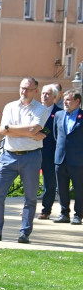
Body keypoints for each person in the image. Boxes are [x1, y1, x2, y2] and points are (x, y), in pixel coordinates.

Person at [0, 77, 48, 244]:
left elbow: (34, 128)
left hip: (31, 156)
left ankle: (24, 233)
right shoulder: (10, 106)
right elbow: (3, 130)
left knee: (30, 197)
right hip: (9, 155)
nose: (24, 92)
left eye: (28, 89)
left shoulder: (41, 109)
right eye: (22, 88)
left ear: (36, 91)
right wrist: (26, 132)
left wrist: (12, 129)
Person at [53, 89, 83, 224]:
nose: (64, 102)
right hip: (61, 159)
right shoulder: (59, 115)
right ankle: (64, 214)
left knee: (79, 188)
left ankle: (78, 214)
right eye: (64, 99)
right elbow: (56, 136)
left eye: (68, 99)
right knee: (62, 188)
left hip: (78, 160)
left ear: (77, 101)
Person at [37, 84, 61, 219]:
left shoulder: (59, 113)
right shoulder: (35, 110)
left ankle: (46, 210)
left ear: (54, 96)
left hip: (50, 153)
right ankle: (28, 208)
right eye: (43, 93)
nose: (44, 96)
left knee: (50, 183)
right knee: (30, 182)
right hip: (33, 150)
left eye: (48, 94)